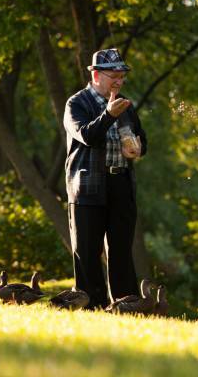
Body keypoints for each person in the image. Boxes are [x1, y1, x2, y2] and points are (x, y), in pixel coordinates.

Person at [63, 48, 147, 309]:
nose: (119, 82)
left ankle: (125, 305)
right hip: (88, 186)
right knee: (87, 251)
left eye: (122, 76)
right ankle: (92, 306)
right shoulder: (76, 104)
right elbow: (87, 135)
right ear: (96, 75)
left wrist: (138, 147)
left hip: (120, 183)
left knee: (121, 250)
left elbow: (142, 138)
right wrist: (109, 115)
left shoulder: (126, 105)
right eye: (114, 76)